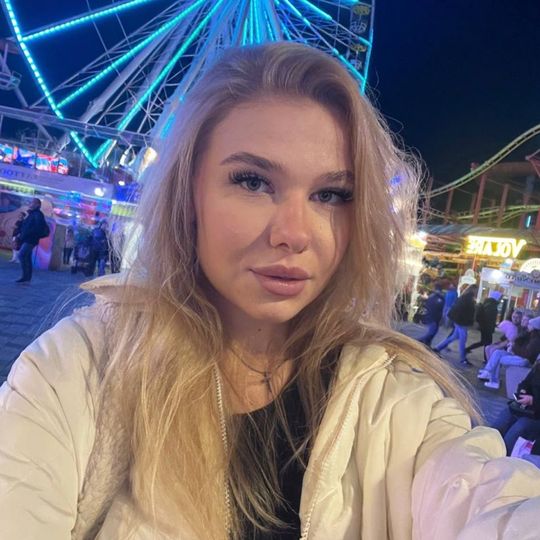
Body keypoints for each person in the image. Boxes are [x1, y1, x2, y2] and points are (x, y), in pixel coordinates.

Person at [1, 43, 540, 540]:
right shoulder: (78, 372)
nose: (295, 234)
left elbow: (488, 501)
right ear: (189, 193)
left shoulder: (397, 403)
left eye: (332, 194)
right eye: (253, 182)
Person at [491, 361, 540, 455]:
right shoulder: (538, 367)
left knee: (518, 428)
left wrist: (533, 400)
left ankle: (502, 456)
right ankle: (485, 449)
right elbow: (525, 383)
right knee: (502, 420)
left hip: (537, 416)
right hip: (526, 408)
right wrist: (522, 392)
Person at [479, 315, 540, 390]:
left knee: (499, 359)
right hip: (519, 355)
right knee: (498, 352)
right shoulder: (529, 334)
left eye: (530, 324)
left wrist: (513, 347)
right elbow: (518, 343)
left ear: (535, 327)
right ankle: (488, 372)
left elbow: (527, 354)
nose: (528, 325)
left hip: (525, 360)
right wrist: (514, 344)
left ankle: (494, 380)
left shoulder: (535, 340)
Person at [432, 284, 478, 365]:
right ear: (473, 290)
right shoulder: (468, 299)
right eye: (476, 290)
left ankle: (437, 348)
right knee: (462, 340)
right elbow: (467, 312)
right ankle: (463, 359)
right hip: (462, 322)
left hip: (458, 320)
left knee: (454, 336)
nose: (477, 292)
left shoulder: (464, 297)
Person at [15, 197, 49, 283]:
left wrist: (28, 233)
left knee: (21, 255)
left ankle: (25, 276)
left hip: (31, 239)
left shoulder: (38, 214)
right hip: (27, 238)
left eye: (32, 202)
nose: (30, 204)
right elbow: (26, 226)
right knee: (27, 257)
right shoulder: (32, 214)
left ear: (37, 205)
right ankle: (27, 277)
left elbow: (37, 227)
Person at [465, 290, 501, 355]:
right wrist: (490, 327)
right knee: (487, 343)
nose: (500, 299)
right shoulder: (491, 305)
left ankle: (468, 349)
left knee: (484, 342)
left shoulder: (489, 303)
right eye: (499, 297)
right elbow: (489, 318)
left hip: (485, 327)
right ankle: (485, 358)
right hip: (487, 328)